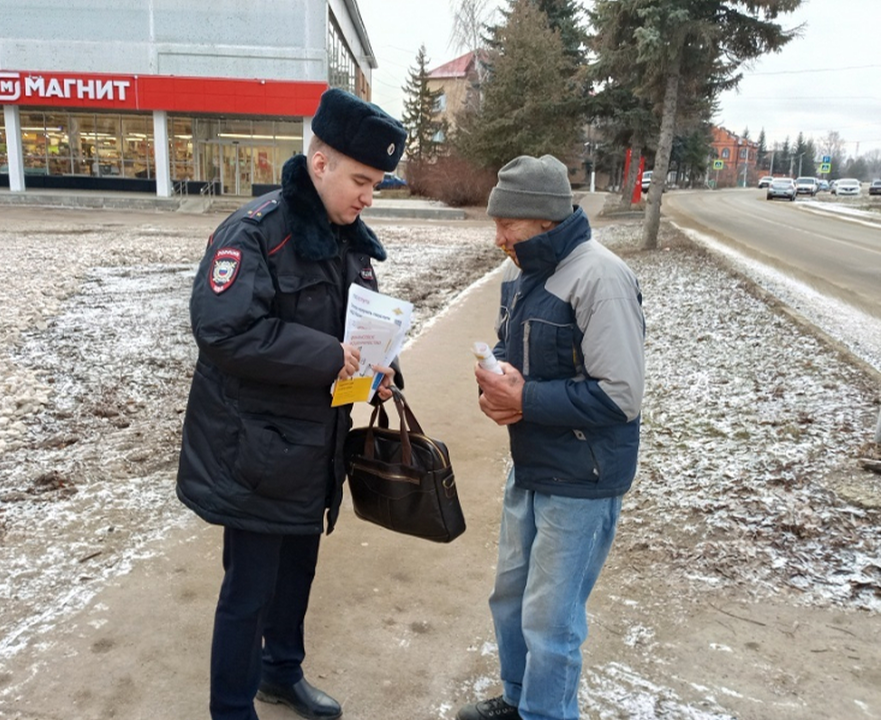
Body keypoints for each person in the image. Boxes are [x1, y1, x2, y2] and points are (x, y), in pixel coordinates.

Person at [177, 88, 406, 720]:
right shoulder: (254, 233)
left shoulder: (352, 242)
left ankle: (281, 673)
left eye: (378, 184)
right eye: (361, 179)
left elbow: (359, 329)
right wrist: (327, 356)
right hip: (253, 452)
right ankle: (231, 708)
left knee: (296, 575)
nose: (368, 195)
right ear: (321, 162)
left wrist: (382, 368)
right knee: (247, 591)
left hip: (315, 449)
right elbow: (223, 331)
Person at [459, 155, 645, 720]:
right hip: (533, 464)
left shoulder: (600, 277)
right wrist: (497, 382)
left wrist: (526, 400)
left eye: (506, 225)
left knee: (552, 618)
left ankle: (546, 713)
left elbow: (621, 397)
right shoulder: (521, 273)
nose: (498, 238)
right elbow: (517, 359)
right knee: (511, 598)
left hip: (582, 479)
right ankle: (519, 700)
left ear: (542, 220)